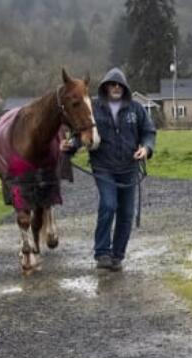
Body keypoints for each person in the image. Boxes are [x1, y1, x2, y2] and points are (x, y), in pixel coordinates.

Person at [63, 67, 156, 271]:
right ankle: (102, 252)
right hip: (103, 166)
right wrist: (71, 147)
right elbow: (82, 133)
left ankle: (117, 256)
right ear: (105, 86)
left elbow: (148, 132)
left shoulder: (136, 109)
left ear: (124, 87)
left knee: (126, 212)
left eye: (119, 84)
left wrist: (146, 148)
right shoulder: (94, 107)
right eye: (112, 84)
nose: (116, 87)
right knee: (108, 204)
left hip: (129, 167)